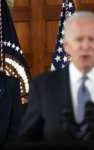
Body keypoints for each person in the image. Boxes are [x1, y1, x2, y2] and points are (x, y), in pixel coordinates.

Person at [18, 11, 94, 148]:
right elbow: (25, 141)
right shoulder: (43, 86)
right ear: (66, 46)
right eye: (79, 39)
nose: (85, 46)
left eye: (92, 39)